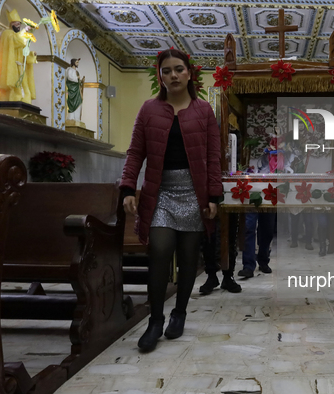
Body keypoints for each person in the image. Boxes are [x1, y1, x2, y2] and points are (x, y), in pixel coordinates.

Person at [120, 48, 222, 352]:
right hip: (160, 190)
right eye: (166, 71)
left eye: (179, 69)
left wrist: (215, 194)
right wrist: (127, 187)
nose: (173, 75)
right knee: (160, 250)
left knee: (190, 257)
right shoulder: (149, 110)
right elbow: (135, 151)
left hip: (194, 191)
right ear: (159, 75)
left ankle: (179, 313)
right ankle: (155, 321)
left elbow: (213, 156)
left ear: (189, 73)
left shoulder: (204, 111)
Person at [0, 9, 37, 104]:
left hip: (20, 67)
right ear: (11, 24)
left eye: (19, 24)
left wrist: (31, 55)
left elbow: (23, 52)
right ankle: (13, 102)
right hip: (12, 67)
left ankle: (25, 103)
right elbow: (16, 41)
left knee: (25, 89)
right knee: (14, 88)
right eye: (16, 23)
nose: (18, 26)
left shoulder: (18, 36)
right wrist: (26, 30)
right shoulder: (7, 34)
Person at [66, 58, 84, 123]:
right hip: (72, 89)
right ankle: (71, 117)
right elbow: (69, 77)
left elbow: (78, 81)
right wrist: (77, 78)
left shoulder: (77, 71)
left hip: (77, 89)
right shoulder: (70, 70)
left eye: (78, 62)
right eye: (76, 62)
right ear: (73, 63)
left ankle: (77, 118)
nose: (77, 64)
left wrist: (81, 81)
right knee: (72, 103)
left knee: (79, 101)